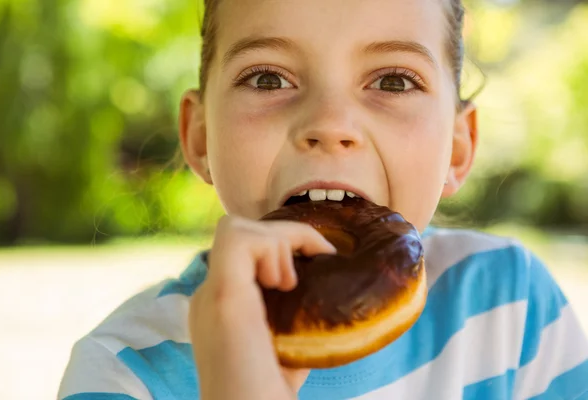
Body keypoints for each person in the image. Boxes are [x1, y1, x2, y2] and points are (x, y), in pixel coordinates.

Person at [57, 0, 588, 398]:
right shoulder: (121, 372)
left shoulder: (513, 313)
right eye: (268, 78)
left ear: (456, 146)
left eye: (394, 81)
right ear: (200, 138)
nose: (330, 125)